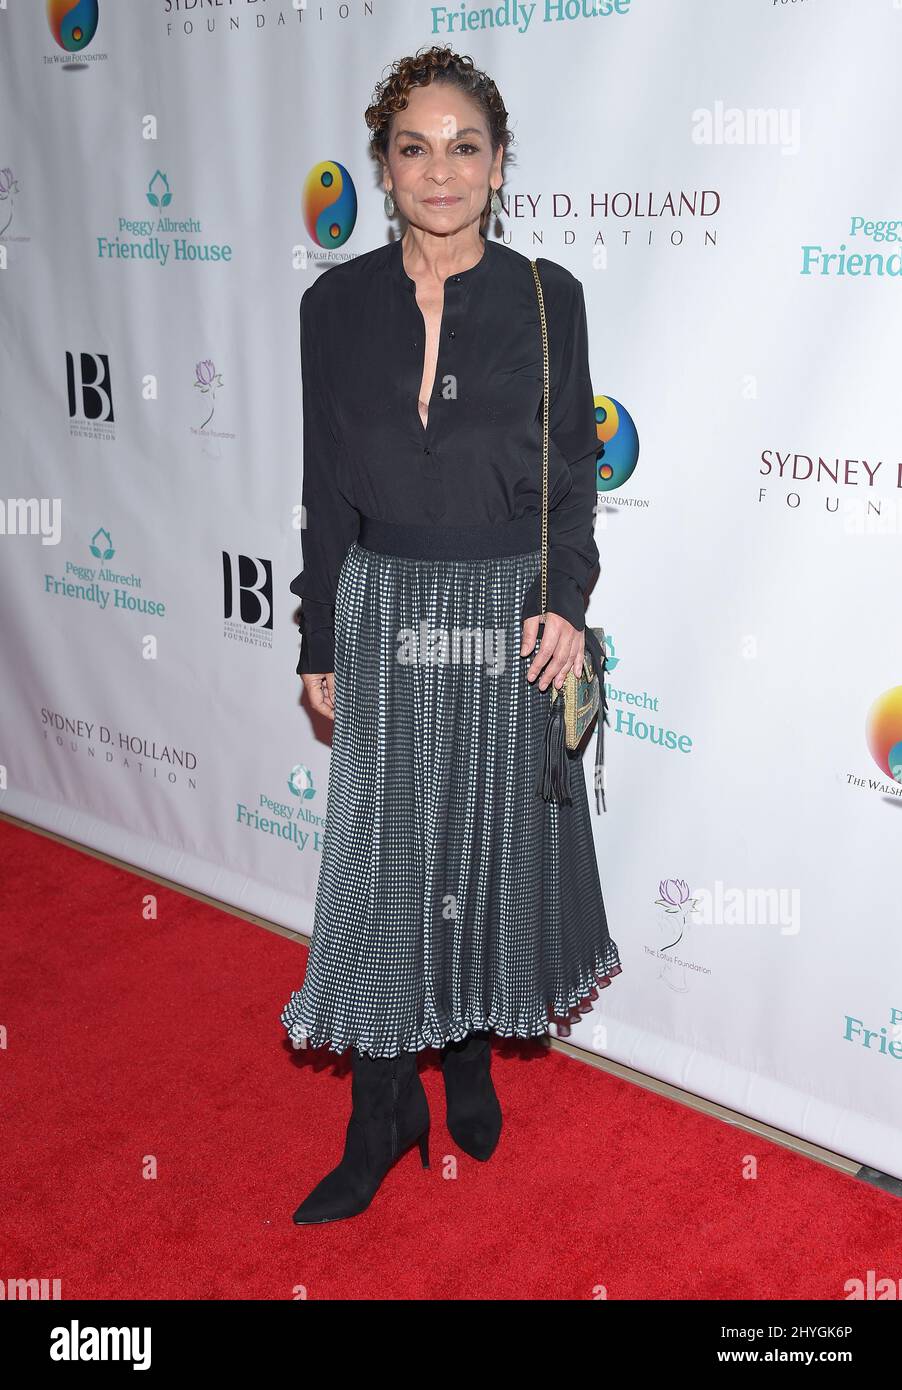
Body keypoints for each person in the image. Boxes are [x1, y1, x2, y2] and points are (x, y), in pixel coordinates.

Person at [281, 44, 622, 1225]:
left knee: (484, 848)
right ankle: (382, 1112)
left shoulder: (548, 297)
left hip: (500, 617)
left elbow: (571, 485)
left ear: (496, 162)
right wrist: (317, 633)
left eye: (463, 147)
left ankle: (467, 1051)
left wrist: (565, 606)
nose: (440, 171)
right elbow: (324, 488)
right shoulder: (333, 305)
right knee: (385, 875)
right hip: (382, 608)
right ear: (383, 163)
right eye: (414, 147)